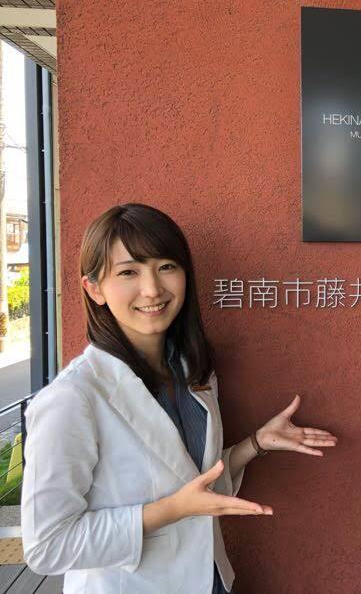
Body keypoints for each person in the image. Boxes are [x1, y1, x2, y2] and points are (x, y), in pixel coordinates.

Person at [21, 203, 338, 594]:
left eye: (166, 267)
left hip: (212, 580)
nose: (152, 289)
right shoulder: (73, 397)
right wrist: (171, 510)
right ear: (95, 288)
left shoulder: (192, 372)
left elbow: (194, 487)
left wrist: (256, 444)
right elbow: (47, 546)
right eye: (128, 272)